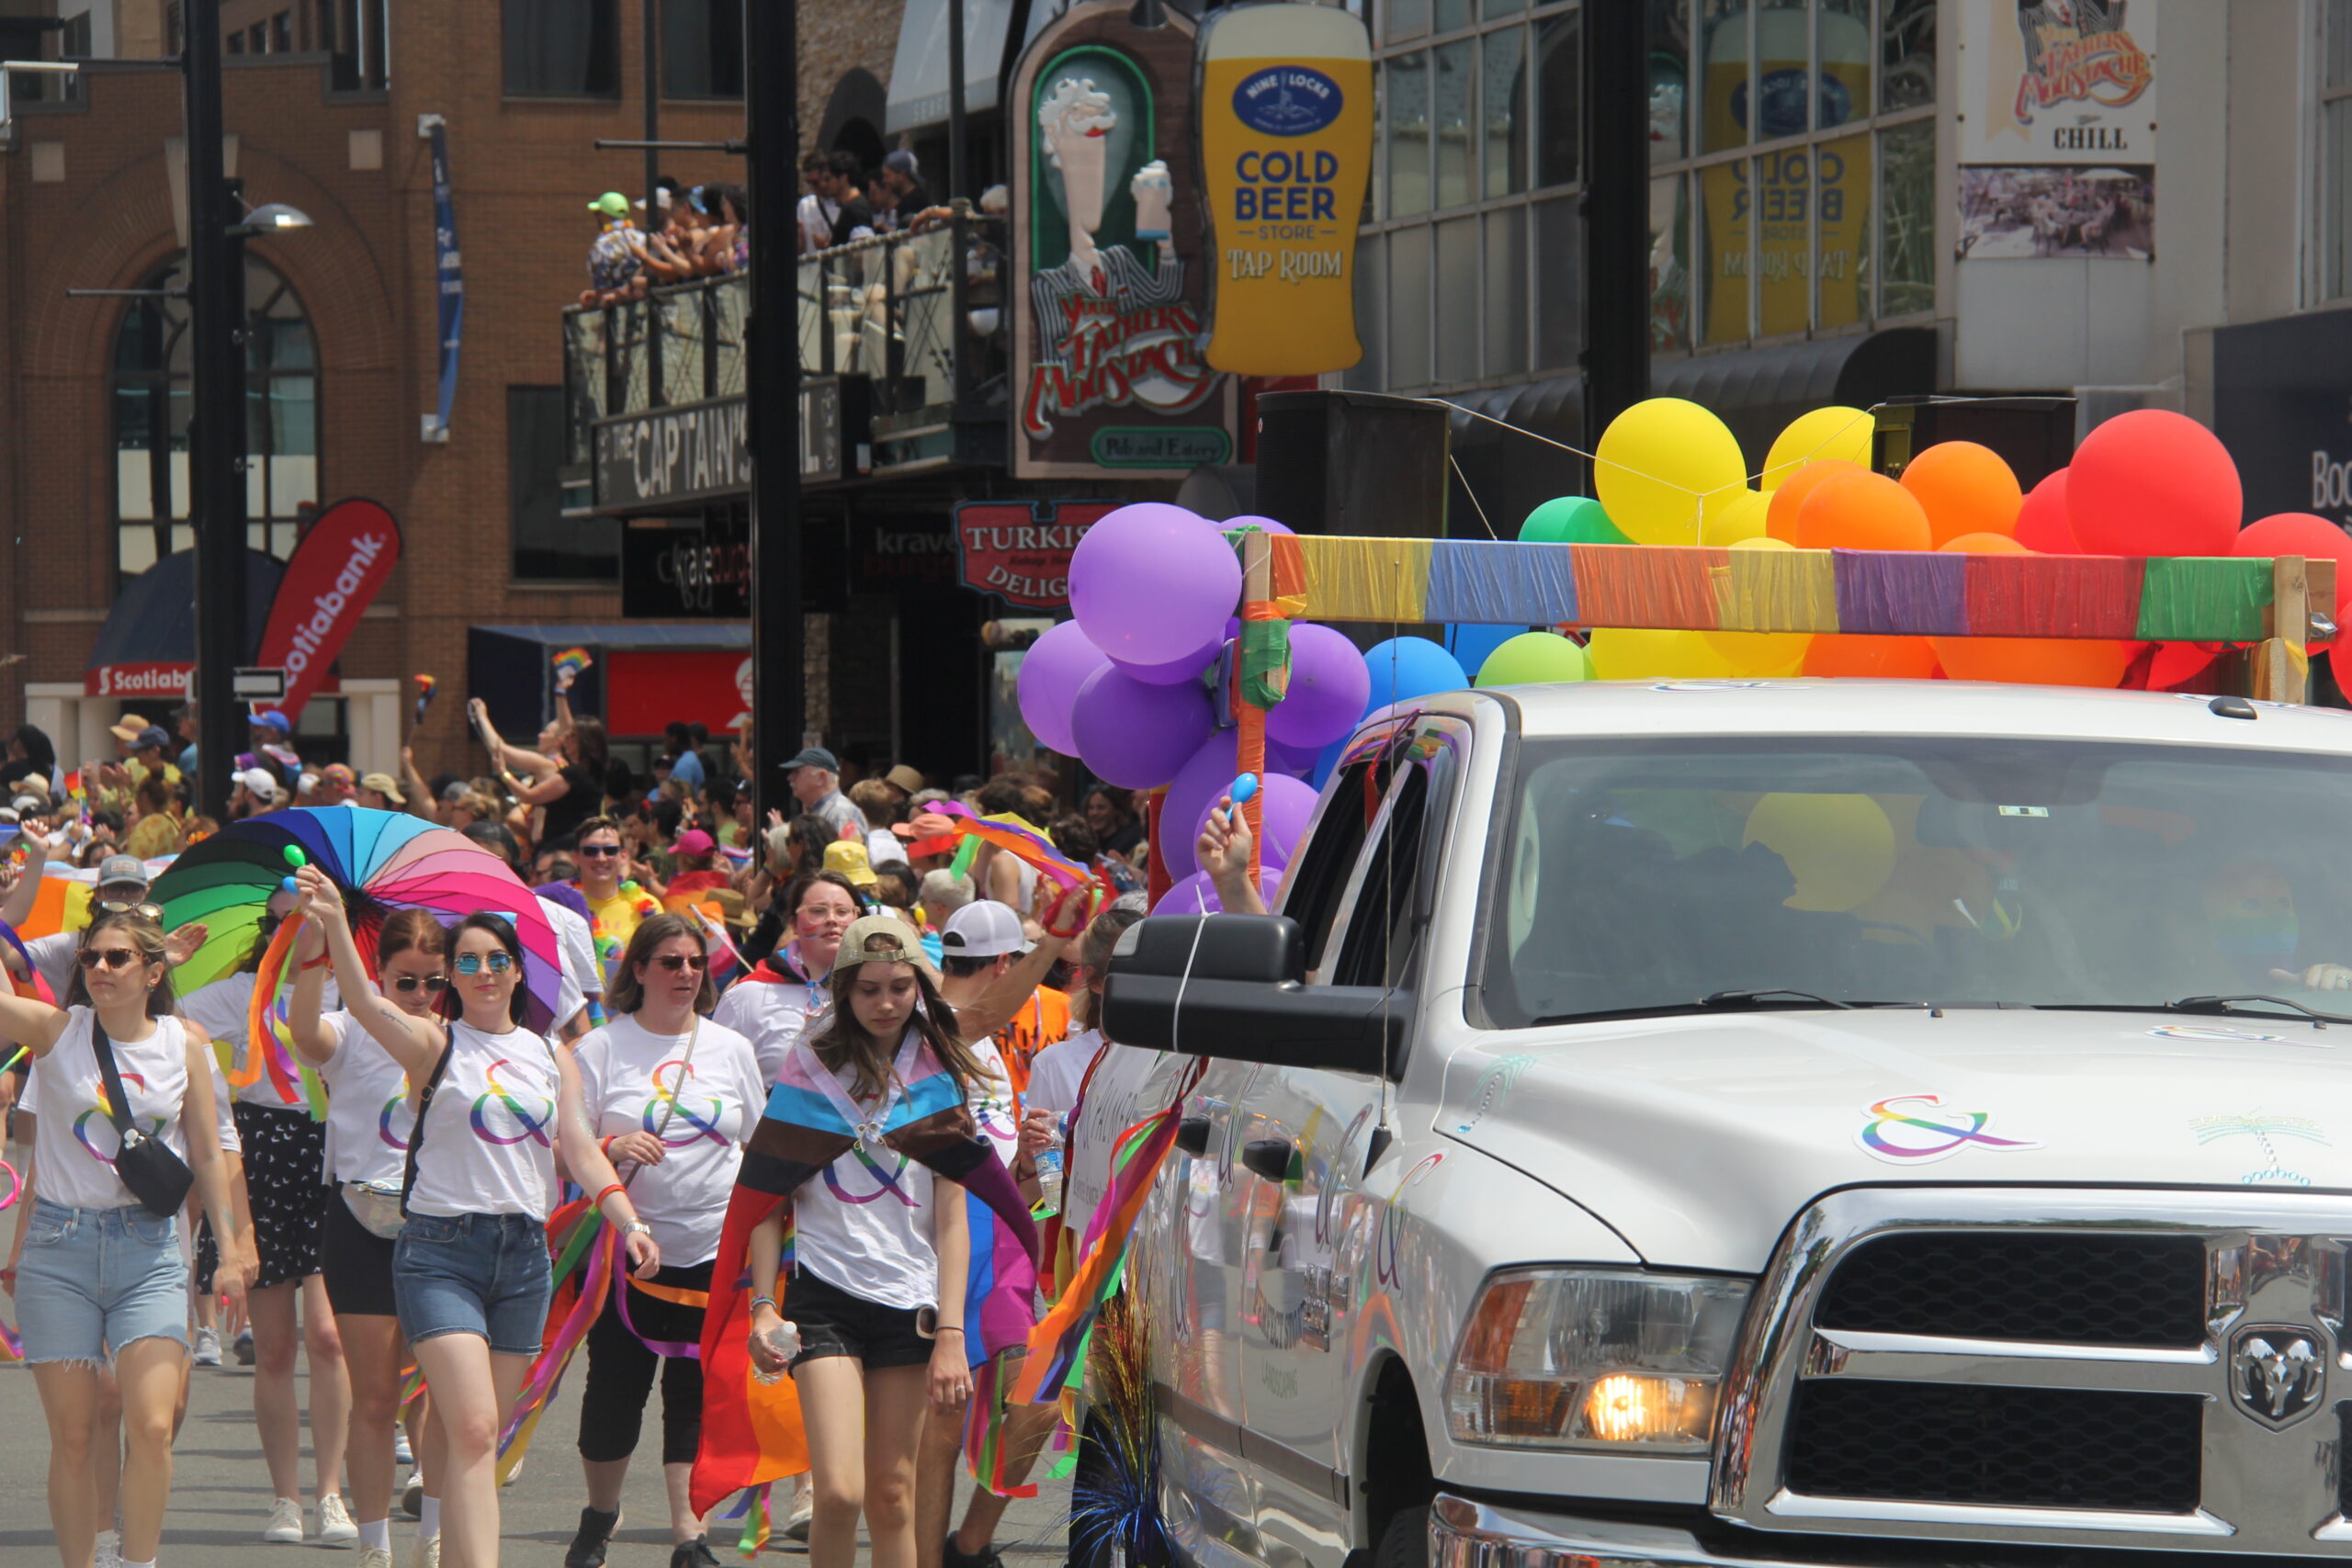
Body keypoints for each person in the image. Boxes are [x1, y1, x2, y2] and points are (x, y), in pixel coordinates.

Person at [297, 874, 660, 1568]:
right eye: (468, 960)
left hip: (523, 1257)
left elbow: (579, 1149)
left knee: (479, 1439)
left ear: (518, 970)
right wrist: (336, 926)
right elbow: (369, 1008)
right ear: (450, 978)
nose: (484, 971)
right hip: (439, 1250)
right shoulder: (434, 1044)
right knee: (470, 1422)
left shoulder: (551, 1053)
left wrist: (628, 1217)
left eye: (497, 959)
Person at [0, 910, 253, 1568]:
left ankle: (137, 1562)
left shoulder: (185, 1045)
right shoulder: (57, 1031)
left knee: (152, 1424)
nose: (100, 969)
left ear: (153, 970)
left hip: (149, 1250)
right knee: (76, 1437)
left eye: (117, 958)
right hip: (59, 1249)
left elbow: (207, 1151)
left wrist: (227, 1252)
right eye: (91, 958)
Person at [742, 917, 978, 1568]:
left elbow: (953, 1220)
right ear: (844, 991)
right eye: (869, 988)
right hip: (824, 1301)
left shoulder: (939, 1082)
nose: (885, 1002)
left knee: (894, 1494)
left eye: (900, 986)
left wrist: (952, 1333)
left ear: (918, 989)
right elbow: (766, 1199)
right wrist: (764, 1303)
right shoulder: (809, 1072)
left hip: (912, 1305)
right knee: (840, 1492)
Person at [567, 915, 762, 1568]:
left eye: (694, 962)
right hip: (627, 1254)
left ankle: (689, 1535)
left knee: (694, 1392)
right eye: (670, 961)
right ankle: (600, 1514)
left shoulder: (730, 1048)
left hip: (715, 1249)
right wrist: (611, 1145)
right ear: (640, 969)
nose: (685, 973)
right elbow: (566, 1148)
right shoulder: (600, 1048)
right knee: (614, 1394)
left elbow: (757, 1147)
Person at [177, 912, 356, 1546]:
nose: (306, 931)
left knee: (332, 1340)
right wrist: (162, 963)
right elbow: (167, 1022)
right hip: (261, 1154)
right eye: (293, 919)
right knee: (275, 1346)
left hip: (340, 1157)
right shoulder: (240, 991)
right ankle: (286, 1497)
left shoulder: (354, 991)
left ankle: (331, 1490)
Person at [288, 906, 450, 1568]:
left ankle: (435, 1529)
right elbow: (302, 1032)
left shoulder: (459, 1035)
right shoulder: (351, 1026)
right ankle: (375, 1543)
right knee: (376, 1394)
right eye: (403, 980)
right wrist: (311, 950)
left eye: (431, 981)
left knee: (445, 1388)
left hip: (442, 1224)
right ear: (376, 971)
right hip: (359, 1218)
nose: (417, 995)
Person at [717, 870, 865, 1083]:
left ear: (858, 920)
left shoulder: (875, 991)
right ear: (794, 923)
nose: (832, 919)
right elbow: (719, 1077)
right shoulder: (747, 996)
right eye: (818, 911)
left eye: (842, 912)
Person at [0, 851, 206, 1000]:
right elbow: (10, 958)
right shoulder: (68, 944)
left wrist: (160, 958)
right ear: (99, 894)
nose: (100, 968)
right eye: (88, 957)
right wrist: (4, 904)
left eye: (132, 889)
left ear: (146, 894)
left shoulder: (157, 950)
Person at [937, 901, 1069, 1098]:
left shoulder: (929, 1013)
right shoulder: (946, 1026)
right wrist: (1059, 936)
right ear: (1003, 963)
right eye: (1021, 963)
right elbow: (983, 1018)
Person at [571, 817, 662, 988]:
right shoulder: (565, 908)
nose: (601, 858)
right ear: (576, 857)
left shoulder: (650, 905)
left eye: (610, 850)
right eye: (590, 851)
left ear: (623, 856)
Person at [787, 748, 869, 840]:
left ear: (821, 777)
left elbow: (846, 853)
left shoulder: (840, 813)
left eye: (797, 772)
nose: (790, 777)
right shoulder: (824, 811)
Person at [582, 191, 645, 308]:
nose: (597, 218)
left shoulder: (601, 245)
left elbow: (602, 289)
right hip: (648, 307)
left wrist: (595, 297)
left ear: (604, 215)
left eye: (597, 213)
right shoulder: (643, 238)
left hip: (619, 314)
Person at [1083, 786, 1145, 862]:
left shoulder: (1129, 840)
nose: (1094, 813)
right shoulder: (1086, 842)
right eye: (1091, 808)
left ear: (1116, 811)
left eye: (1101, 808)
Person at [662, 724, 707, 795]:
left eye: (666, 739)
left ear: (673, 739)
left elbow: (684, 797)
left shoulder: (685, 764)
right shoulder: (689, 758)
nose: (664, 744)